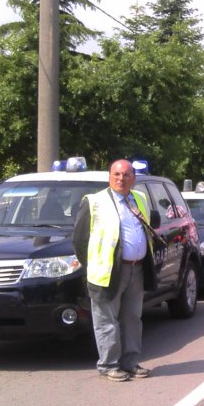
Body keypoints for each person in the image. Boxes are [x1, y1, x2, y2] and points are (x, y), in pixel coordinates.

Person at [73, 159, 157, 382]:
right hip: (107, 272)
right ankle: (109, 365)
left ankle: (130, 362)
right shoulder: (94, 201)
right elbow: (80, 240)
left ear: (134, 178)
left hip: (135, 269)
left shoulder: (140, 199)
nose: (121, 179)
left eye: (126, 174)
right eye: (117, 174)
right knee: (107, 320)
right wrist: (93, 265)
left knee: (132, 318)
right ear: (110, 176)